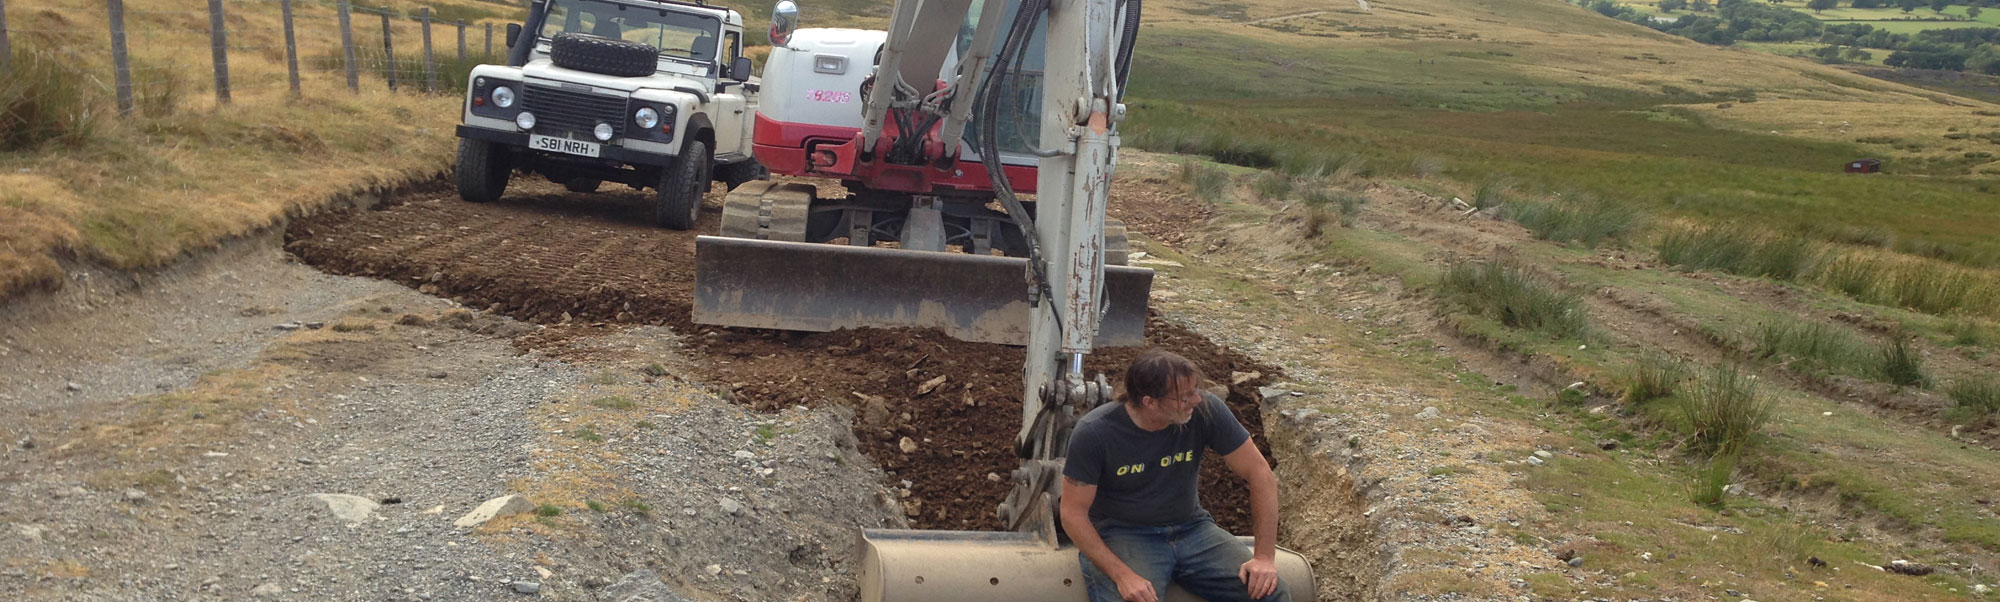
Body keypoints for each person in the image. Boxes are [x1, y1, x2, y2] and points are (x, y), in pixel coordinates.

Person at [1060, 349, 1288, 602]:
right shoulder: (1095, 433)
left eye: (1195, 391)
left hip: (1193, 529)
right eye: (1184, 398)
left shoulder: (1205, 410)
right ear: (1150, 402)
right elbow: (1072, 514)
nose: (1196, 401)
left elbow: (1260, 473)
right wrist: (1123, 576)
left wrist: (1264, 558)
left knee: (1270, 593)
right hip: (1123, 533)